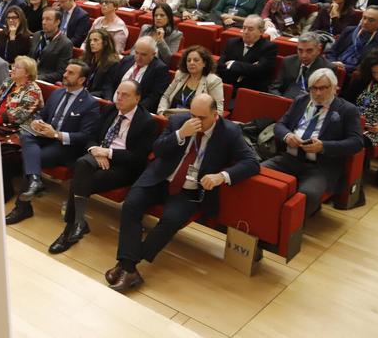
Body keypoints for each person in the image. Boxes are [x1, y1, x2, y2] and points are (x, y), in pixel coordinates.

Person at [108, 94, 259, 292]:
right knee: (131, 205)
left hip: (189, 190)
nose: (195, 121)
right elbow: (158, 150)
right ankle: (129, 269)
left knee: (170, 220)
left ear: (215, 115)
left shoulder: (229, 132)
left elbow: (252, 163)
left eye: (201, 117)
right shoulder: (180, 120)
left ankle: (127, 265)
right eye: (192, 114)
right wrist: (180, 134)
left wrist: (221, 176)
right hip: (160, 179)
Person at [48, 80, 158, 254]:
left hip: (123, 167)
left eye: (125, 95)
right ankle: (73, 227)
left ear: (137, 98)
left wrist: (107, 153)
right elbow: (91, 135)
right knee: (83, 164)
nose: (119, 98)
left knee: (80, 179)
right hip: (97, 156)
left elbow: (138, 158)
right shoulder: (111, 109)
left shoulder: (147, 122)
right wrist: (95, 150)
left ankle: (74, 227)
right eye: (118, 93)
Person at [4, 61, 101, 225]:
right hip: (45, 135)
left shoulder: (90, 104)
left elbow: (85, 136)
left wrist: (56, 134)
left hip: (66, 145)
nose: (64, 74)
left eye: (71, 73)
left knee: (35, 157)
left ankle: (23, 207)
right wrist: (37, 122)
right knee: (26, 135)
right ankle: (35, 180)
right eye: (65, 70)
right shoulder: (57, 93)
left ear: (81, 80)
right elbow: (42, 114)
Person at [263, 68, 364, 216]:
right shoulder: (301, 101)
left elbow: (356, 143)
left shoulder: (347, 110)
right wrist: (287, 136)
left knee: (307, 195)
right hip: (288, 159)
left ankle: (289, 228)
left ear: (335, 88)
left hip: (320, 167)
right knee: (256, 174)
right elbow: (280, 125)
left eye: (323, 88)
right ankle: (264, 218)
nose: (317, 93)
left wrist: (323, 146)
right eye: (314, 88)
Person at [0, 56, 44, 142]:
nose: (12, 69)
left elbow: (18, 114)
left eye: (17, 67)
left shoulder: (33, 91)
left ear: (27, 73)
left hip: (16, 127)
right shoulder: (9, 81)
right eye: (13, 66)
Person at [108, 36, 171, 113]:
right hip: (112, 106)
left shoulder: (160, 69)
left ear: (153, 54)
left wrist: (134, 111)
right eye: (137, 53)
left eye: (143, 55)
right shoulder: (126, 60)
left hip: (136, 112)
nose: (138, 57)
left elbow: (154, 97)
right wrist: (109, 101)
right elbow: (110, 82)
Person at [158, 45, 224, 115]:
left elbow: (218, 111)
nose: (191, 63)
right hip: (170, 117)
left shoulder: (213, 81)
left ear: (204, 63)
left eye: (196, 60)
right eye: (188, 60)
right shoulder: (180, 75)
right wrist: (161, 112)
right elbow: (166, 97)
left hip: (194, 121)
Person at [218, 15, 278, 92]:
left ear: (261, 32)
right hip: (229, 86)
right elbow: (220, 66)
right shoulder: (232, 42)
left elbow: (260, 71)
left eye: (250, 29)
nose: (246, 32)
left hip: (251, 90)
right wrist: (250, 68)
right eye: (244, 28)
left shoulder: (269, 47)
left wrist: (232, 64)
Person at [325, 6, 378, 74]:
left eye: (371, 20)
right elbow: (332, 51)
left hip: (351, 73)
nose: (365, 22)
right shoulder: (349, 30)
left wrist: (344, 67)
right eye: (364, 18)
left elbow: (368, 66)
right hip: (333, 65)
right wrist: (333, 63)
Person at [270, 32, 334, 99]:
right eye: (300, 50)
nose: (304, 55)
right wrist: (281, 100)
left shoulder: (327, 68)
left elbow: (326, 97)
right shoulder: (288, 61)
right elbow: (274, 88)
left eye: (309, 51)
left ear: (319, 49)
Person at [30, 9, 74, 83]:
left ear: (57, 22)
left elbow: (60, 73)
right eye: (43, 19)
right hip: (30, 75)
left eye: (48, 19)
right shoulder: (37, 35)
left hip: (45, 80)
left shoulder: (65, 44)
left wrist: (38, 77)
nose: (44, 22)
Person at [82, 28, 120, 99]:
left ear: (105, 43)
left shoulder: (112, 64)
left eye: (95, 40)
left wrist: (87, 94)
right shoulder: (87, 59)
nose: (92, 43)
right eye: (90, 40)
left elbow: (107, 89)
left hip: (95, 97)